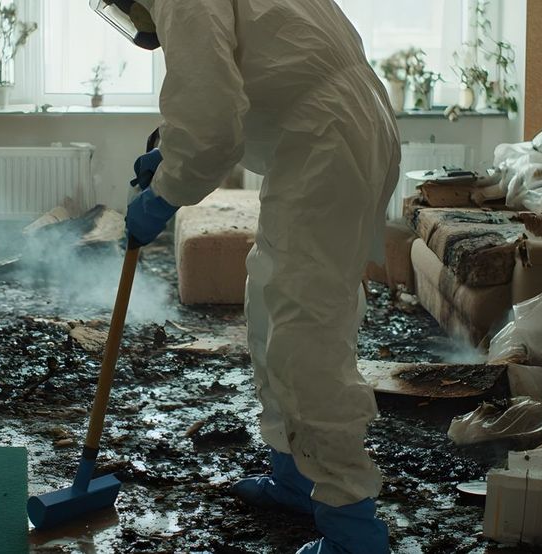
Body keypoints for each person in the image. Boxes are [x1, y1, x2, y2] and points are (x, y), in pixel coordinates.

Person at [92, 1, 400, 552]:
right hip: (328, 131)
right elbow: (248, 69)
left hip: (327, 139)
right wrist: (168, 149)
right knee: (269, 301)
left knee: (304, 331)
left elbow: (211, 121)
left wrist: (164, 194)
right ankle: (296, 471)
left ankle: (351, 521)